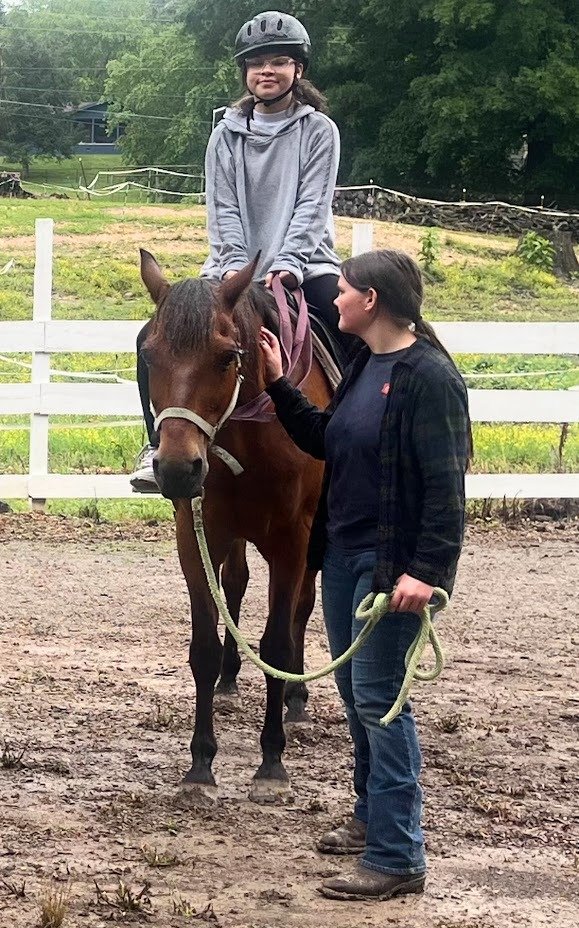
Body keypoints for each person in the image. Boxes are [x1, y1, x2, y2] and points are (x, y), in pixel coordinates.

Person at [259, 248, 471, 901]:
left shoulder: (426, 377)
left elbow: (445, 488)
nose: (336, 298)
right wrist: (275, 383)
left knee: (381, 705)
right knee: (358, 697)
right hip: (347, 557)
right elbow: (326, 439)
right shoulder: (363, 366)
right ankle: (368, 819)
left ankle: (397, 855)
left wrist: (425, 572)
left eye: (343, 290)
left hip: (392, 570)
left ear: (370, 301)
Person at [130, 10, 354, 491]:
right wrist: (236, 266)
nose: (266, 71)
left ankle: (359, 441)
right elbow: (223, 207)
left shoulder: (319, 132)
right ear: (245, 72)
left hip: (303, 262)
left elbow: (312, 205)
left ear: (299, 70)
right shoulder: (225, 134)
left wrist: (289, 267)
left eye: (278, 62)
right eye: (256, 64)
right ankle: (155, 447)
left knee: (346, 327)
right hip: (230, 269)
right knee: (151, 337)